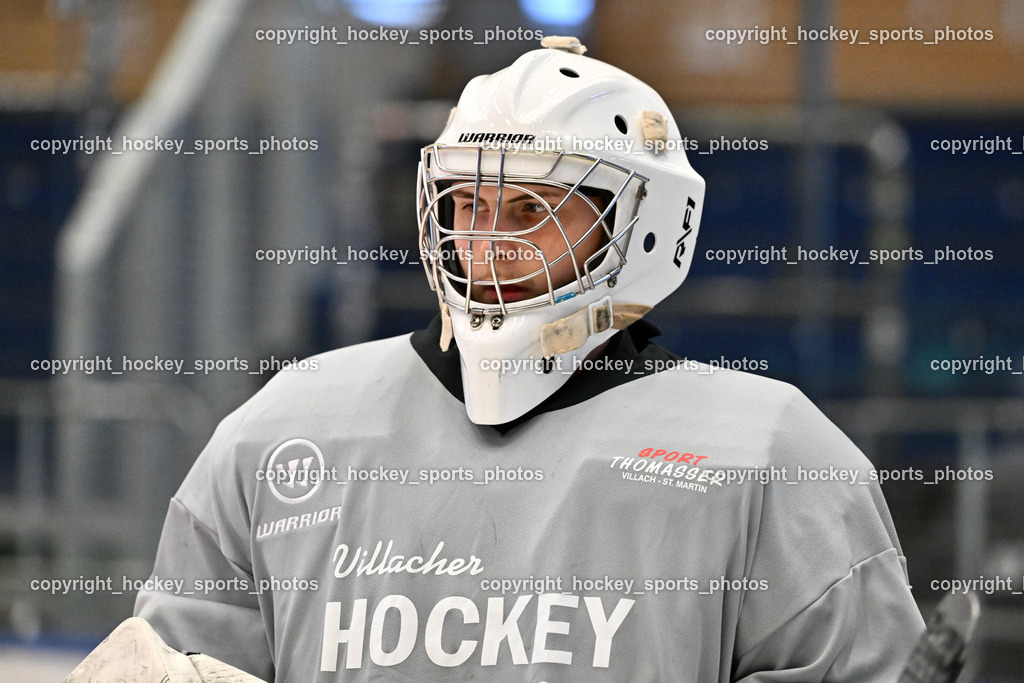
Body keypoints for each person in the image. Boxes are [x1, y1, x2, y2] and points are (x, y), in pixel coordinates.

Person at [134, 36, 925, 680]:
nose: (485, 243)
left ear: (642, 227)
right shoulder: (281, 429)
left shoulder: (776, 457)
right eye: (467, 203)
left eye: (530, 209)